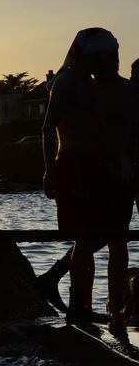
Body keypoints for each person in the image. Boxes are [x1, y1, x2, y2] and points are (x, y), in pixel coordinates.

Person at [42, 28, 133, 334]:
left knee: (119, 241)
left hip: (119, 174)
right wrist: (52, 171)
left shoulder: (128, 91)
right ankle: (79, 305)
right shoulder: (81, 86)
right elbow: (59, 125)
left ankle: (116, 308)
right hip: (91, 172)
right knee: (87, 239)